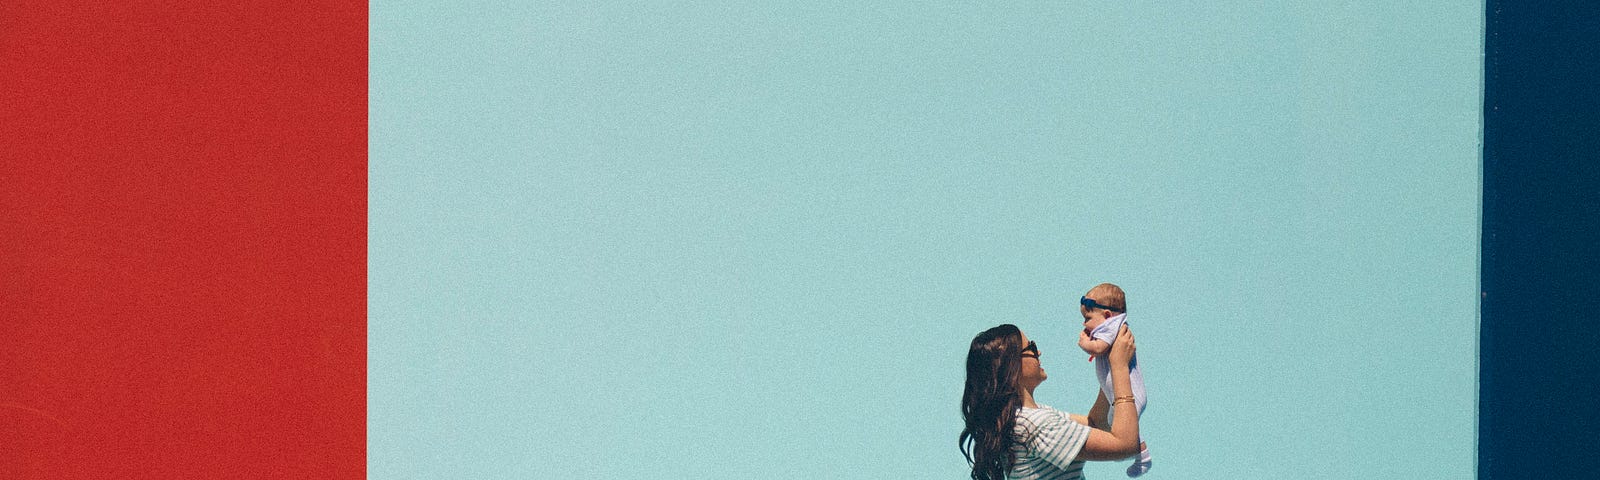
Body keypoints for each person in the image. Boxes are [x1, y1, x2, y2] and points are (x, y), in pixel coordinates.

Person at [960, 323, 1141, 480]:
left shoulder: (1025, 419)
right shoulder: (1037, 425)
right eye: (1031, 347)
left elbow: (1094, 424)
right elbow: (1125, 445)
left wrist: (1106, 363)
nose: (1038, 352)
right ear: (1011, 365)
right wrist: (1119, 367)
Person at [1075, 283, 1151, 477]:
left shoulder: (1112, 327)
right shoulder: (1110, 327)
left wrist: (1085, 343)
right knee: (1112, 423)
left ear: (1107, 315)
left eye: (1088, 318)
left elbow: (1099, 348)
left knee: (1121, 426)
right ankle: (1134, 451)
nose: (1084, 324)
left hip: (1129, 394)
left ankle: (1141, 454)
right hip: (1118, 396)